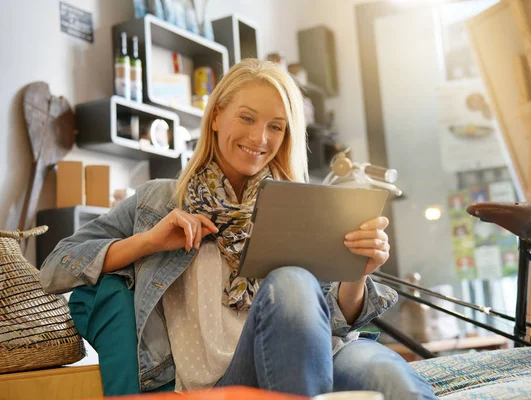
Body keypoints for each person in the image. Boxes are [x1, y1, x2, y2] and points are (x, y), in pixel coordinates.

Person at [40, 58, 436, 399]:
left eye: (276, 127)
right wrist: (148, 241)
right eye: (246, 118)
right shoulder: (158, 202)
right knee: (292, 280)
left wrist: (357, 274)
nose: (259, 138)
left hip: (319, 358)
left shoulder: (299, 205)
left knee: (387, 377)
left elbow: (331, 319)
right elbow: (55, 267)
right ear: (216, 117)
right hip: (224, 380)